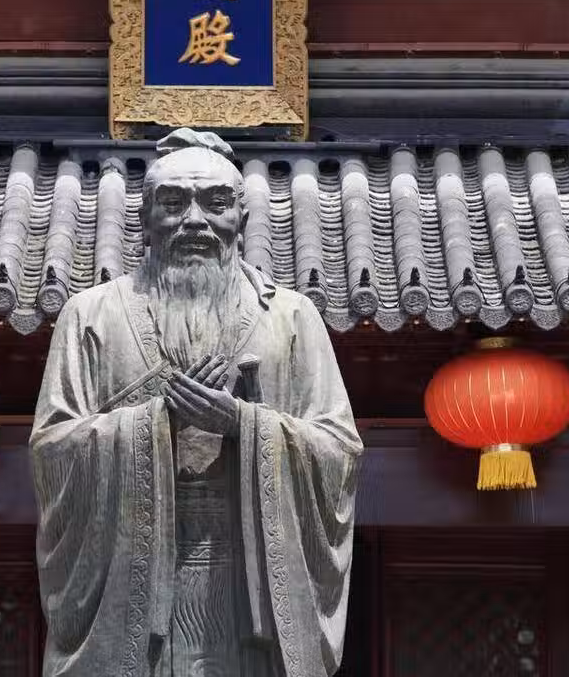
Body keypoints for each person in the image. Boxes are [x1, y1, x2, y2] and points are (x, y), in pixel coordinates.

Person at [30, 128, 362, 677]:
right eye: (172, 203)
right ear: (143, 220)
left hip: (254, 586)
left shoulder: (292, 318)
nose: (194, 220)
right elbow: (51, 451)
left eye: (215, 203)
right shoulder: (90, 316)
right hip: (133, 580)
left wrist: (244, 423)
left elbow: (341, 450)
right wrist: (156, 420)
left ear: (242, 220)